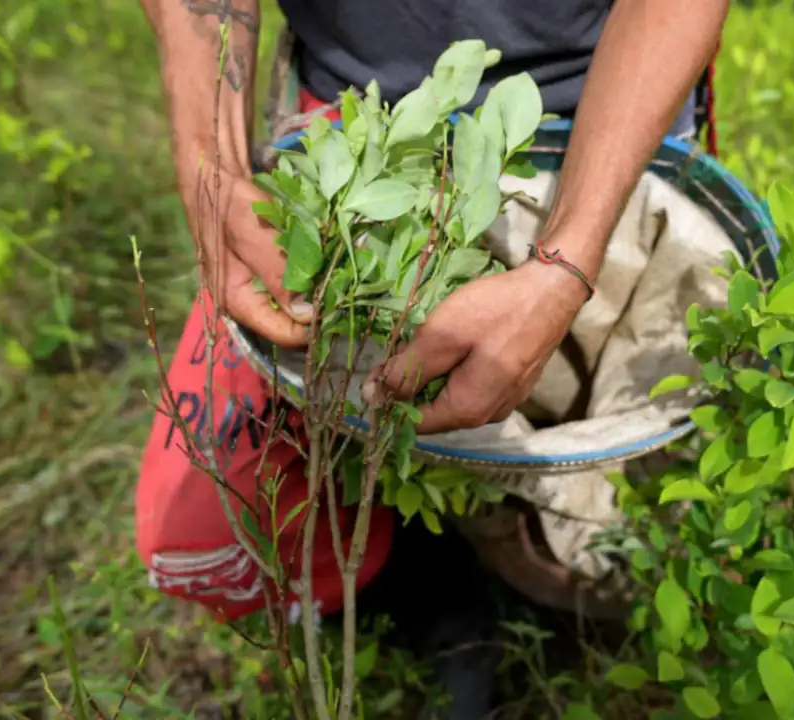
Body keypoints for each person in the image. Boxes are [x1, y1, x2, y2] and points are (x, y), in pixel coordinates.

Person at [133, 0, 728, 715]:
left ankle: (542, 592)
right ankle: (438, 608)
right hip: (359, 123)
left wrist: (564, 264)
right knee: (209, 521)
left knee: (618, 469)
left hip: (609, 115)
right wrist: (213, 166)